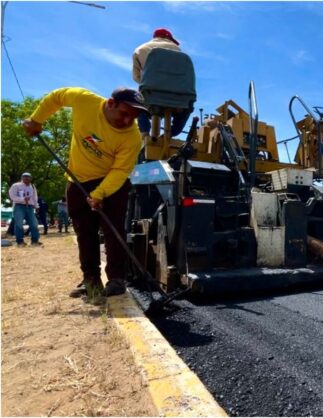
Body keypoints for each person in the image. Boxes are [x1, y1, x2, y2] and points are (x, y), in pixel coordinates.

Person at [23, 87, 146, 298]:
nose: (128, 122)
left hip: (111, 184)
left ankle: (116, 279)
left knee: (113, 231)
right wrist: (37, 120)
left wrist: (100, 193)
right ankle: (91, 281)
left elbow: (120, 170)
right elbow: (57, 98)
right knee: (85, 233)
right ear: (110, 104)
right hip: (77, 181)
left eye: (133, 118)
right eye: (125, 114)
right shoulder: (84, 101)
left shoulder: (132, 137)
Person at [132, 28, 189, 141]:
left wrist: (151, 84)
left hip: (150, 94)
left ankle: (145, 134)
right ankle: (171, 133)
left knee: (138, 106)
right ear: (167, 38)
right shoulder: (178, 50)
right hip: (179, 97)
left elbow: (136, 77)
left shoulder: (140, 49)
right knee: (186, 110)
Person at [8, 173, 42, 247]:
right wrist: (23, 199)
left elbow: (35, 198)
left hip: (30, 207)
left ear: (31, 178)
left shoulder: (32, 186)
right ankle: (20, 242)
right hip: (19, 206)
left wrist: (37, 206)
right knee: (19, 224)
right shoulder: (16, 185)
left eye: (28, 177)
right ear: (22, 178)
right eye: (25, 177)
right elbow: (12, 196)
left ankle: (35, 241)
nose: (27, 178)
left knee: (34, 224)